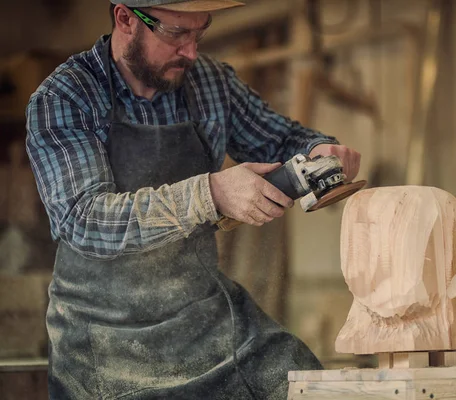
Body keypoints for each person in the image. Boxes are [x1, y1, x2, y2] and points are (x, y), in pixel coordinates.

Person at [25, 0, 361, 399]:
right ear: (126, 18)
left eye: (199, 33)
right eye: (176, 34)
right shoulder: (66, 97)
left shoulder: (210, 84)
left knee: (309, 387)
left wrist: (320, 150)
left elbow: (284, 140)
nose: (191, 51)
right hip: (105, 338)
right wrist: (211, 193)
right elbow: (84, 219)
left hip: (205, 319)